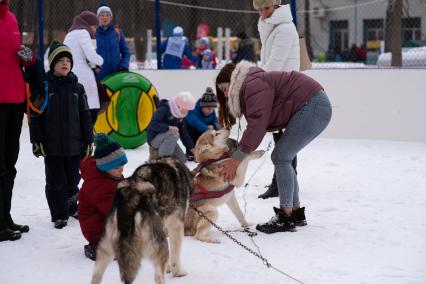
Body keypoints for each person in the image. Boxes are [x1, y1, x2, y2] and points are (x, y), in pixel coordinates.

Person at [216, 61, 332, 233]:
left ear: (233, 80)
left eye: (225, 89)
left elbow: (257, 125)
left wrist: (236, 159)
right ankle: (295, 212)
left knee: (281, 157)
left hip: (313, 105)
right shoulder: (252, 83)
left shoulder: (252, 85)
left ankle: (286, 217)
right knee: (284, 156)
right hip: (314, 104)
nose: (226, 96)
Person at [29, 41, 94, 229]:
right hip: (53, 146)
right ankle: (58, 214)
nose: (65, 63)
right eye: (60, 61)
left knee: (73, 180)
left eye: (68, 60)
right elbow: (36, 115)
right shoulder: (45, 87)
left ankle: (72, 207)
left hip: (75, 146)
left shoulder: (78, 88)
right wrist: (37, 139)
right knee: (56, 182)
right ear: (52, 64)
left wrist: (88, 139)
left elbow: (85, 115)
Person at [254, 0, 300, 199]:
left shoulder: (284, 29)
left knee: (284, 140)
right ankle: (285, 180)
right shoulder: (272, 27)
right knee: (280, 137)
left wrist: (254, 78)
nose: (264, 13)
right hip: (278, 87)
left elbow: (274, 64)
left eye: (267, 8)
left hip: (286, 89)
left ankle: (282, 183)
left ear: (276, 6)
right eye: (260, 9)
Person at [0, 0, 35, 242]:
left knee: (9, 165)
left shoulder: (11, 17)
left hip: (15, 97)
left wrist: (26, 58)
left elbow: (13, 57)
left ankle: (5, 218)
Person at [78, 132, 127, 261]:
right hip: (96, 227)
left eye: (122, 164)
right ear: (105, 167)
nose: (121, 169)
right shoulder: (99, 185)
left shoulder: (112, 175)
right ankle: (96, 247)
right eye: (117, 166)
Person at [64, 11, 104, 124]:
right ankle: (86, 140)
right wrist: (101, 61)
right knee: (90, 113)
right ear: (88, 24)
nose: (95, 30)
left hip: (71, 75)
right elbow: (91, 55)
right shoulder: (83, 33)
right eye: (95, 26)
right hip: (83, 76)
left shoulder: (70, 34)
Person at [147, 92, 196, 164]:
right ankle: (162, 161)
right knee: (174, 133)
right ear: (180, 106)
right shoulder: (164, 109)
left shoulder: (180, 115)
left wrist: (193, 149)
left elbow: (184, 134)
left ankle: (164, 155)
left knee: (182, 160)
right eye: (187, 109)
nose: (187, 111)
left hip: (168, 140)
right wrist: (168, 127)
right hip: (154, 140)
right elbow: (152, 125)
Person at [95, 3, 130, 81]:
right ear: (97, 17)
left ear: (111, 17)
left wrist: (124, 66)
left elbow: (126, 52)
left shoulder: (117, 32)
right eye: (102, 15)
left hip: (116, 75)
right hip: (99, 76)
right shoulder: (94, 34)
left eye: (107, 15)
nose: (105, 17)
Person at [184, 87, 220, 161]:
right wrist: (209, 130)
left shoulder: (211, 112)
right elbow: (196, 123)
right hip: (193, 135)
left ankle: (208, 150)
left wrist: (214, 126)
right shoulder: (192, 110)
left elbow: (217, 122)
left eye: (212, 109)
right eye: (208, 108)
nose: (210, 111)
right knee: (189, 127)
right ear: (202, 106)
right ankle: (191, 152)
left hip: (205, 135)